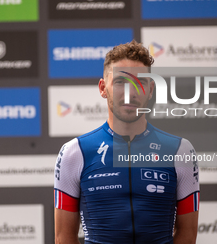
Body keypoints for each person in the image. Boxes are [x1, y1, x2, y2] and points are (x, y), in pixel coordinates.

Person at [54, 40, 199, 244]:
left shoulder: (180, 150)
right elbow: (63, 237)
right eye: (121, 82)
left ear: (150, 89)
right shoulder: (75, 152)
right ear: (103, 88)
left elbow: (188, 234)